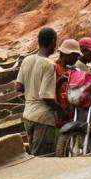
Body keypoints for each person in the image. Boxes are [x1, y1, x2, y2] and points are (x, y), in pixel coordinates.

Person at [17, 27, 61, 156]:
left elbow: (18, 87)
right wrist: (61, 110)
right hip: (43, 117)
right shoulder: (49, 64)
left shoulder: (27, 60)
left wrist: (31, 89)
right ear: (53, 42)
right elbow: (46, 96)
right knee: (42, 157)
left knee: (34, 153)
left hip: (27, 115)